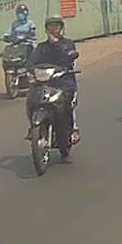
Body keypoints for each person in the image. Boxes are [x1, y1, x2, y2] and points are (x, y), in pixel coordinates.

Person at [29, 16, 80, 146]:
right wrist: (29, 70)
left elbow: (68, 56)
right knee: (32, 100)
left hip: (64, 83)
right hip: (45, 83)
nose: (54, 29)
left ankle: (71, 130)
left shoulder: (67, 44)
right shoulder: (41, 47)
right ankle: (34, 127)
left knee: (65, 106)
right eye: (51, 26)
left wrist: (56, 43)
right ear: (46, 29)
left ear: (61, 28)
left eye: (57, 26)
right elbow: (31, 62)